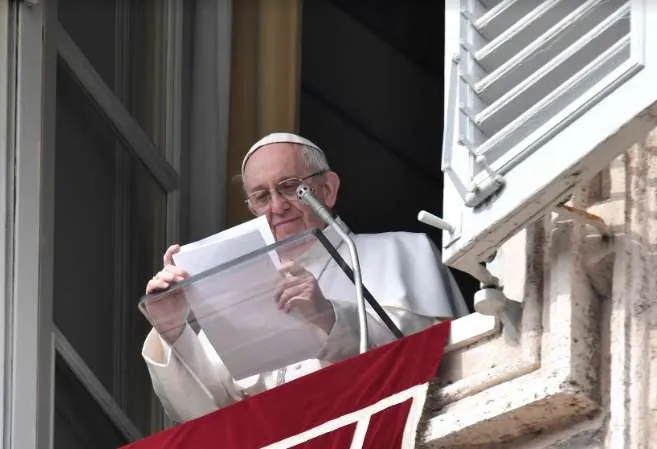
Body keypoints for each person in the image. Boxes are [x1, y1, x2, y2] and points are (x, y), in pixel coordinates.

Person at [141, 132, 469, 423]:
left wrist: (328, 318)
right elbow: (209, 415)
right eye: (261, 196)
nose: (276, 207)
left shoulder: (402, 250)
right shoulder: (233, 286)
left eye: (288, 188)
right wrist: (174, 332)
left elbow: (434, 357)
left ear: (327, 189)